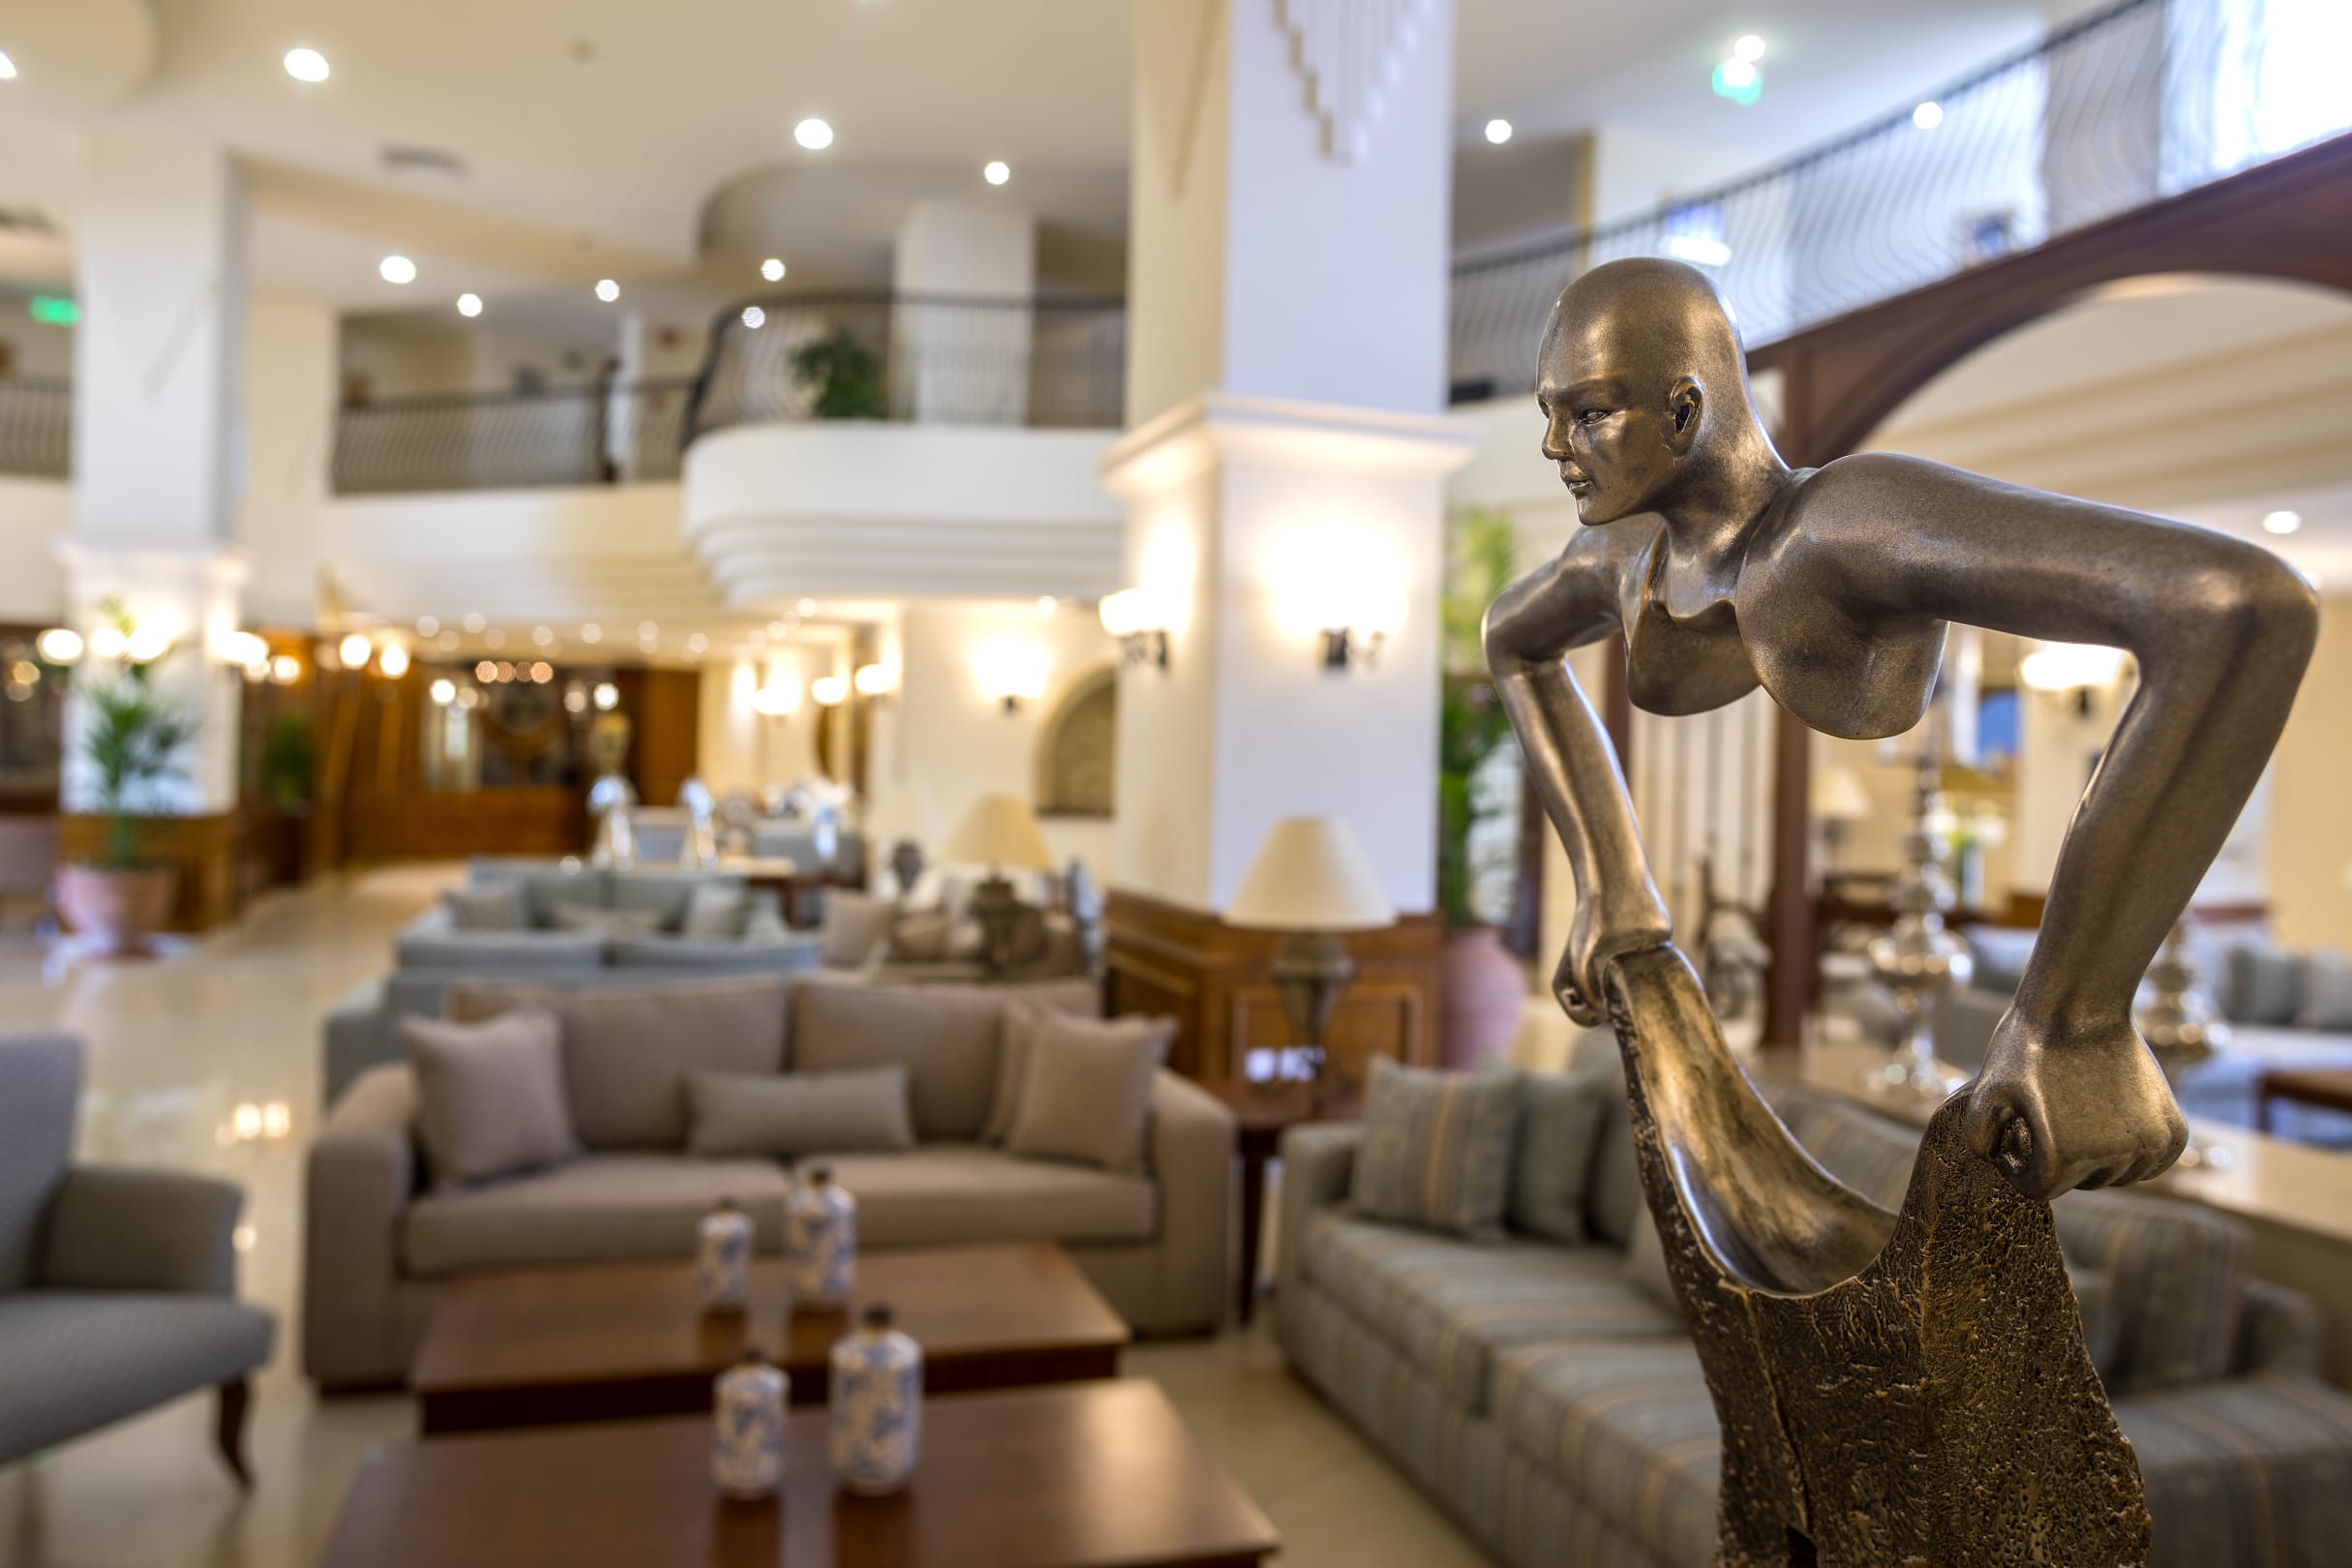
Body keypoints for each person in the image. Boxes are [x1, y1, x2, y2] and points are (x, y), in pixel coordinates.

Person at [1484, 257, 2316, 1200]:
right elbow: (1511, 642)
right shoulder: (1621, 555)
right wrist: (1610, 883)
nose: (1553, 444)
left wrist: (2071, 1022)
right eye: (1548, 413)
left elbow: (2240, 606)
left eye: (1588, 412)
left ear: (1683, 411)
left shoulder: (1848, 524)